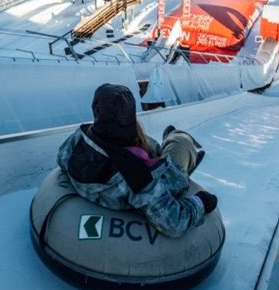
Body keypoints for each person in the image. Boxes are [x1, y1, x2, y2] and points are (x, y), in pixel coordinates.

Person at [57, 83, 218, 238]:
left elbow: (61, 159)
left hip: (114, 154)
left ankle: (166, 143)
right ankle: (178, 146)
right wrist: (201, 202)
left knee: (148, 144)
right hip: (159, 180)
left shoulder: (80, 136)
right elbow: (174, 223)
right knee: (181, 141)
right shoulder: (136, 175)